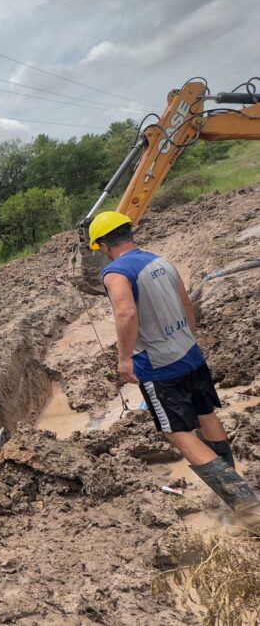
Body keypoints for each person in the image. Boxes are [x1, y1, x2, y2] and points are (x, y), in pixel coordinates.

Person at [88, 211, 259, 530]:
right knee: (205, 413)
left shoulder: (115, 272)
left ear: (104, 246)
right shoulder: (161, 261)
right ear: (129, 234)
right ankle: (233, 482)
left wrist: (125, 359)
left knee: (177, 432)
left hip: (159, 367)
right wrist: (186, 338)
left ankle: (247, 507)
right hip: (189, 355)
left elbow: (125, 314)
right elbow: (187, 305)